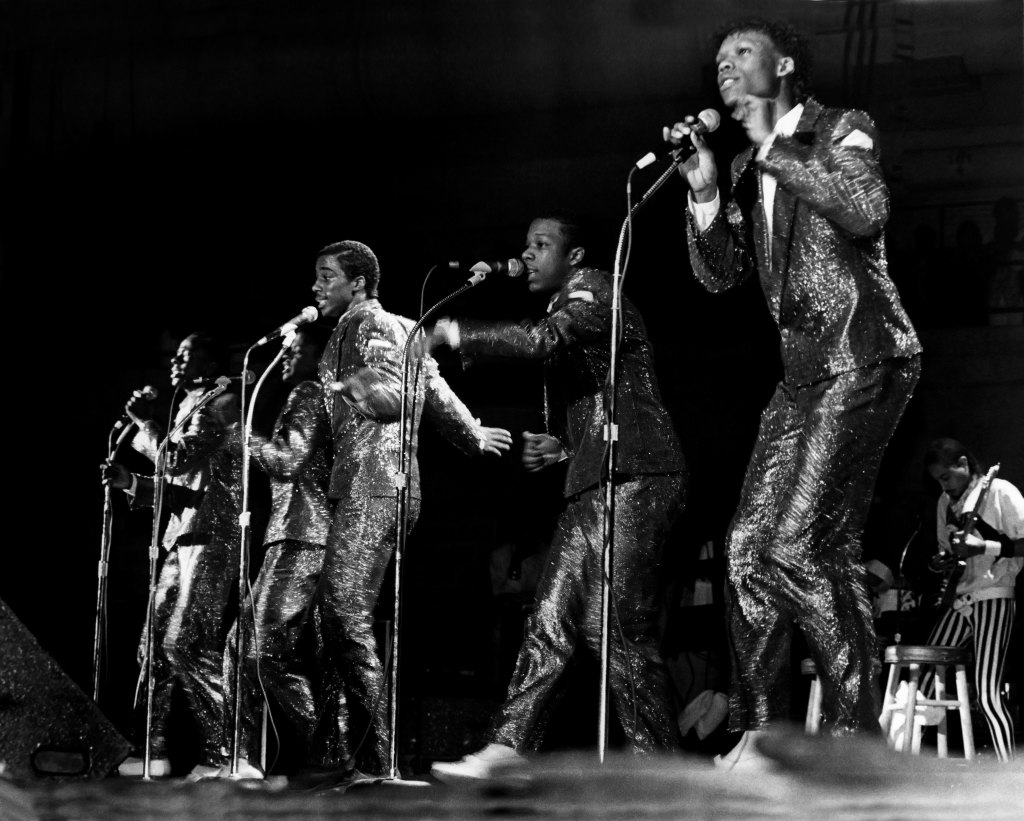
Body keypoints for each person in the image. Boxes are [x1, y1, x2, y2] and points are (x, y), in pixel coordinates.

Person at [664, 17, 923, 767]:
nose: (724, 67)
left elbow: (865, 210)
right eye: (718, 60)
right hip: (801, 377)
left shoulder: (840, 126)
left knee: (802, 546)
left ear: (782, 66)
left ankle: (854, 743)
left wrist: (777, 148)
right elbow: (722, 274)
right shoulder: (746, 164)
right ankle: (763, 733)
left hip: (863, 351)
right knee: (747, 552)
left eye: (740, 53)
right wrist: (706, 194)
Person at [428, 210, 687, 781]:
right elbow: (597, 388)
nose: (527, 255)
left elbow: (544, 342)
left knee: (620, 631)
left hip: (638, 477)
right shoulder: (566, 304)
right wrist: (565, 447)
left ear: (574, 257)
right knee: (552, 617)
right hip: (596, 480)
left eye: (541, 245)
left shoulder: (595, 289)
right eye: (526, 244)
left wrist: (456, 332)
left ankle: (665, 771)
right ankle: (509, 744)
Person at [308, 240, 513, 785]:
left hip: (378, 486)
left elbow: (398, 393)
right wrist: (472, 434)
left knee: (343, 617)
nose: (316, 286)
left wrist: (348, 386)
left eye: (326, 276)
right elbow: (433, 385)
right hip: (364, 487)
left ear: (358, 283)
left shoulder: (372, 324)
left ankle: (376, 762)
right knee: (332, 621)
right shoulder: (378, 329)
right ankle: (337, 758)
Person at [101, 332, 242, 779]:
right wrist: (131, 483)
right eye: (175, 355)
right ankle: (151, 750)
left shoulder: (222, 403)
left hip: (212, 539)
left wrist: (144, 423)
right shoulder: (188, 405)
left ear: (210, 361)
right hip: (181, 536)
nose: (175, 361)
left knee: (185, 644)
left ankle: (226, 754)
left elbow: (176, 459)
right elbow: (179, 486)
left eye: (186, 354)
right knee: (153, 649)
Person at [218, 324, 334, 779]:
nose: (286, 353)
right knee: (238, 648)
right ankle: (240, 759)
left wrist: (241, 434)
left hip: (304, 536)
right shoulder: (304, 394)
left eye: (296, 348)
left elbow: (288, 460)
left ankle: (331, 753)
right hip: (287, 534)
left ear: (317, 355)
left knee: (265, 653)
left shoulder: (309, 392)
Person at [919, 437, 1023, 762]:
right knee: (923, 679)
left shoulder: (1000, 491)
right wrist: (944, 561)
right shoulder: (944, 503)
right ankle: (902, 762)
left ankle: (1010, 775)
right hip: (961, 599)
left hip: (994, 596)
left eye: (946, 476)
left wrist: (986, 548)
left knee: (988, 694)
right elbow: (948, 552)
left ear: (963, 464)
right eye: (938, 480)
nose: (944, 485)